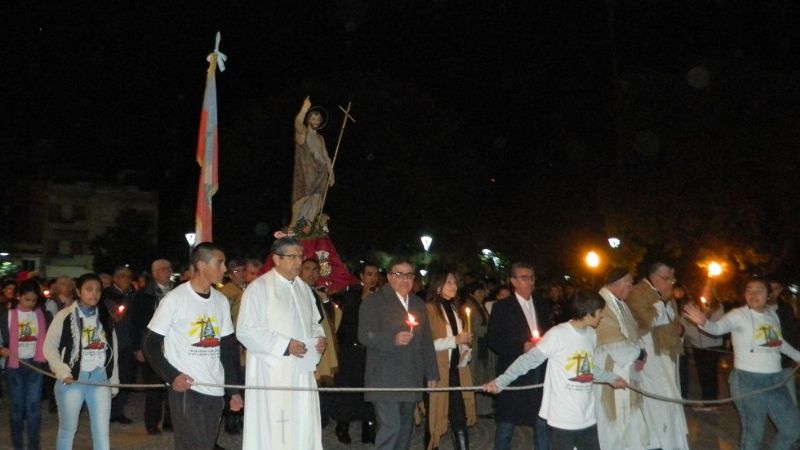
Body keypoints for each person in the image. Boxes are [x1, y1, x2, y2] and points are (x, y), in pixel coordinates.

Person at [484, 290, 629, 450]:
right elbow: (527, 361)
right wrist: (501, 381)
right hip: (562, 418)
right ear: (588, 313)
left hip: (587, 416)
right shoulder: (558, 334)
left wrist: (611, 378)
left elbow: (586, 369)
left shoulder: (591, 335)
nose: (602, 316)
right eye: (600, 312)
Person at [143, 243, 243, 450]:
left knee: (206, 445)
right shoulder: (175, 299)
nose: (225, 269)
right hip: (188, 389)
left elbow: (227, 348)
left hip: (215, 389)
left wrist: (233, 390)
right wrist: (172, 376)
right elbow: (149, 344)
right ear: (201, 265)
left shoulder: (220, 301)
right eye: (220, 263)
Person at [684, 277, 800, 450]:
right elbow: (717, 329)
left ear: (769, 295)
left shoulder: (772, 315)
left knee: (792, 430)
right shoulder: (738, 315)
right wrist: (704, 323)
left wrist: (798, 356)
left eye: (759, 290)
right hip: (748, 380)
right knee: (754, 434)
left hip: (776, 380)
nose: (753, 294)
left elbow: (779, 342)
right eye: (749, 290)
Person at [236, 237, 327, 450]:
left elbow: (314, 323)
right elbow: (246, 330)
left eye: (300, 256)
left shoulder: (304, 289)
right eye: (292, 257)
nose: (298, 262)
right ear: (276, 258)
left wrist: (319, 340)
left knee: (302, 421)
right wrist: (285, 345)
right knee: (276, 425)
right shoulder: (259, 288)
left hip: (302, 370)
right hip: (273, 372)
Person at [359, 258, 438, 450]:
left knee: (405, 428)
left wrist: (432, 373)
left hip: (410, 375)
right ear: (388, 277)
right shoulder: (374, 301)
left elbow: (426, 340)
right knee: (390, 428)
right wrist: (392, 339)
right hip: (384, 376)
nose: (405, 280)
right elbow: (364, 335)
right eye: (399, 274)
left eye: (409, 275)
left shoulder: (418, 304)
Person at [44, 273, 119, 450]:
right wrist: (62, 371)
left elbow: (113, 350)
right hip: (73, 380)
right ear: (78, 291)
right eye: (89, 289)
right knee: (68, 430)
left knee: (102, 432)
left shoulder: (105, 317)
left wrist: (113, 380)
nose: (94, 294)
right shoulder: (64, 316)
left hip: (100, 379)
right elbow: (49, 347)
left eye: (98, 290)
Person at [487, 262, 551, 450]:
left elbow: (549, 332)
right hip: (513, 372)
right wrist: (521, 346)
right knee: (507, 424)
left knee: (542, 422)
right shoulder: (502, 307)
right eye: (524, 278)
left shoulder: (541, 304)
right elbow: (494, 340)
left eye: (532, 277)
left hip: (539, 373)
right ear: (513, 281)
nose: (529, 282)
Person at [625, 261, 688, 449]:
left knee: (671, 399)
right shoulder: (638, 292)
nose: (670, 283)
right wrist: (663, 301)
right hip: (650, 355)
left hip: (669, 354)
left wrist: (681, 329)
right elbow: (646, 320)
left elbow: (675, 322)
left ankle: (674, 441)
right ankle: (657, 443)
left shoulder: (668, 296)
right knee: (657, 401)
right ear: (653, 276)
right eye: (666, 278)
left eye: (672, 279)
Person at [595, 268, 649, 450]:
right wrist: (639, 353)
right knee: (615, 424)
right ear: (616, 283)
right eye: (628, 284)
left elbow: (633, 332)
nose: (631, 288)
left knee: (629, 422)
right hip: (611, 370)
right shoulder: (602, 304)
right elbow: (613, 342)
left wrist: (642, 353)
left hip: (627, 369)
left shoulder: (620, 304)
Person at [424, 271, 475, 450]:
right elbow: (427, 344)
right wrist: (455, 340)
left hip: (455, 371)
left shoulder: (454, 309)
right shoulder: (429, 309)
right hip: (438, 372)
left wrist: (465, 346)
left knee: (459, 417)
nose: (454, 286)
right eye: (449, 282)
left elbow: (458, 342)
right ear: (438, 286)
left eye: (455, 282)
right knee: (435, 416)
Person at [332, 262, 379, 444]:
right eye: (369, 274)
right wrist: (364, 300)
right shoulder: (351, 296)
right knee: (349, 391)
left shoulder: (380, 296)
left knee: (369, 391)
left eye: (375, 274)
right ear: (361, 276)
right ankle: (343, 426)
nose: (373, 278)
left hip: (371, 351)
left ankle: (369, 428)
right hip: (352, 351)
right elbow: (348, 323)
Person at [1, 279, 49, 450]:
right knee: (16, 408)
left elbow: (47, 339)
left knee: (34, 408)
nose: (30, 303)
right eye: (27, 299)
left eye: (34, 300)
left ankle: (34, 445)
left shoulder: (41, 315)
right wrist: (2, 349)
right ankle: (18, 445)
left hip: (35, 365)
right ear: (19, 296)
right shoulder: (8, 314)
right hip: (15, 366)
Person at [129, 259, 174, 435]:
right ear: (154, 272)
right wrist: (137, 348)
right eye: (163, 269)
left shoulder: (178, 291)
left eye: (169, 268)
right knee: (153, 387)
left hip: (172, 346)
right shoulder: (142, 295)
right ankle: (152, 423)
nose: (167, 271)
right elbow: (135, 323)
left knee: (172, 384)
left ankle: (170, 421)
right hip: (151, 345)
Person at [299, 257, 341, 429]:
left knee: (320, 388)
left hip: (321, 347)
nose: (312, 273)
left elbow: (332, 321)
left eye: (316, 270)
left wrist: (325, 301)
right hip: (303, 349)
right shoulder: (296, 292)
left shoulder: (318, 293)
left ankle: (320, 419)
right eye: (308, 268)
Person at [291, 96, 334, 227]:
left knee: (317, 199)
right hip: (306, 170)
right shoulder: (303, 132)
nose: (316, 121)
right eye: (313, 118)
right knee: (304, 196)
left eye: (318, 119)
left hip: (321, 173)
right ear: (309, 119)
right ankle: (294, 225)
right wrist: (304, 109)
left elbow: (325, 155)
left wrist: (331, 172)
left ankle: (308, 226)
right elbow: (298, 124)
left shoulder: (320, 138)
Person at [680, 288, 723, 411]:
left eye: (709, 292)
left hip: (712, 344)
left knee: (710, 372)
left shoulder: (717, 306)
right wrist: (687, 331)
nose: (707, 294)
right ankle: (707, 401)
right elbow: (684, 323)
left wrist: (707, 314)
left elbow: (719, 323)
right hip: (697, 344)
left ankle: (712, 402)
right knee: (702, 372)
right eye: (705, 292)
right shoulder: (692, 305)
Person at [102, 265, 135, 424]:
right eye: (123, 276)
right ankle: (107, 411)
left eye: (129, 276)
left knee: (127, 378)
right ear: (115, 278)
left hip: (129, 342)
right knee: (113, 377)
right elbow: (115, 317)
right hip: (114, 342)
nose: (127, 279)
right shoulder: (108, 295)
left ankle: (117, 410)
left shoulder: (131, 294)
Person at [462, 281, 494, 417]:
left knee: (484, 376)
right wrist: (491, 328)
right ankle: (478, 409)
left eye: (483, 292)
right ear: (472, 293)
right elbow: (474, 328)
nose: (482, 295)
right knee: (478, 376)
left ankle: (484, 409)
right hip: (476, 346)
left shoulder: (480, 306)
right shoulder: (470, 307)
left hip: (483, 346)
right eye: (479, 292)